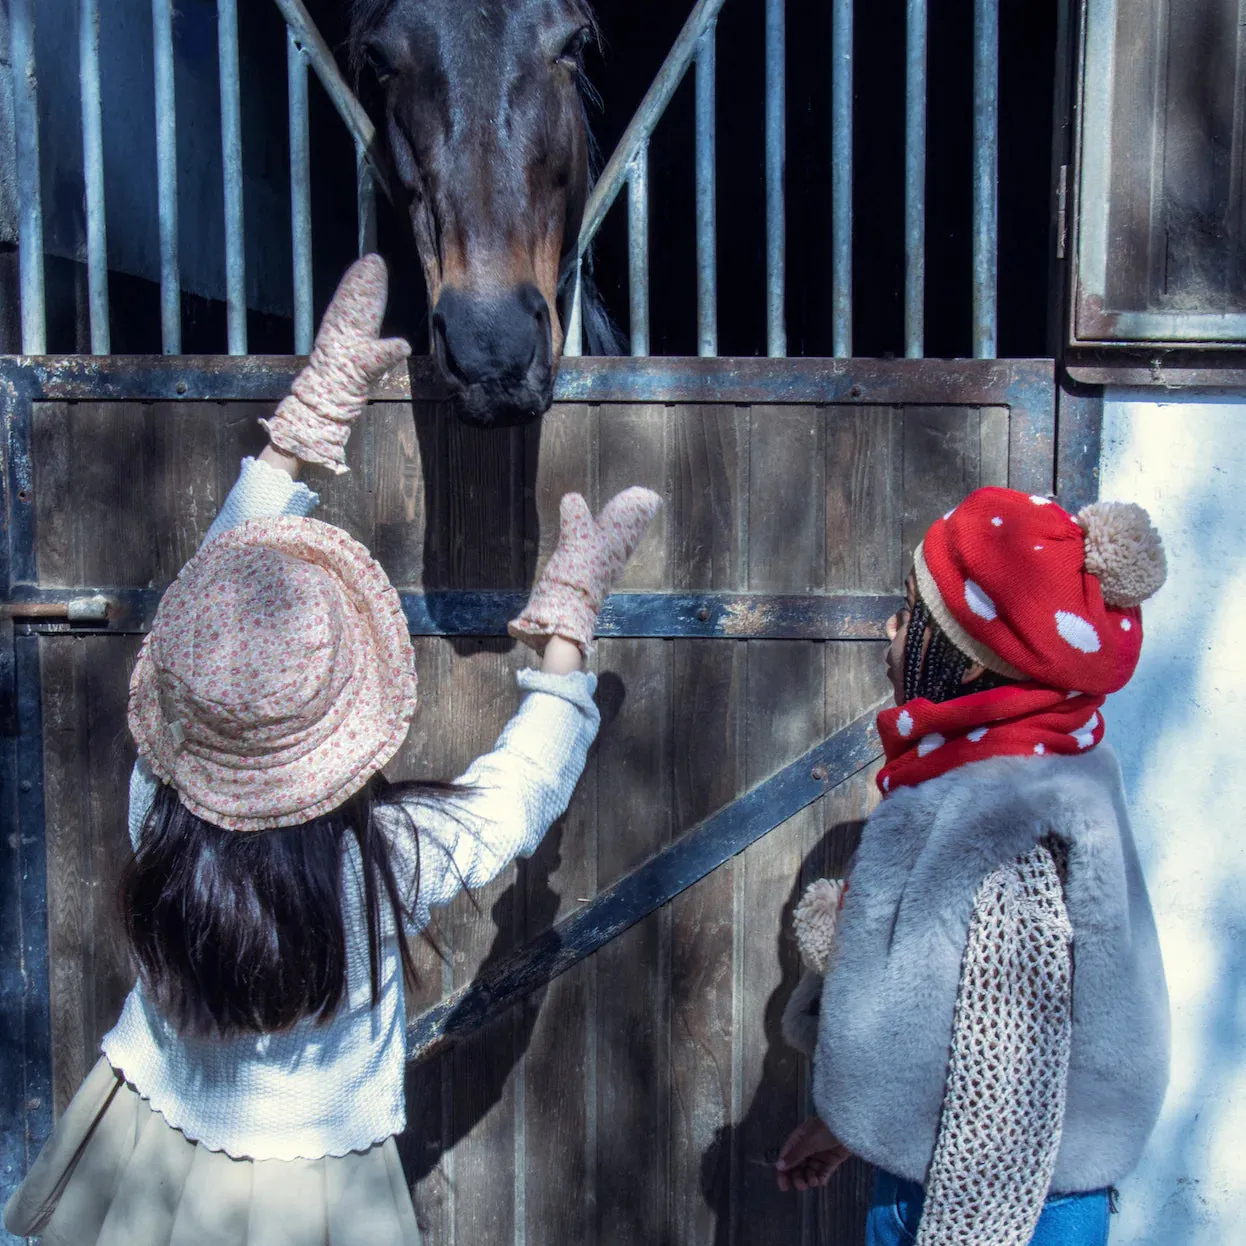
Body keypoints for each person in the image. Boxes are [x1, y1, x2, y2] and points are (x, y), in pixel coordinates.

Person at [3, 256, 660, 1246]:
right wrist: (565, 641)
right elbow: (513, 798)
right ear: (340, 719)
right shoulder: (382, 857)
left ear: (195, 715)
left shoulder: (157, 803)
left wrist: (298, 436)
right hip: (317, 1193)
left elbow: (210, 610)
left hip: (141, 1139)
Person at [775, 488, 1171, 1246]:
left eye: (910, 614)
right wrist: (853, 1121)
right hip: (1023, 1187)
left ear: (957, 660)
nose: (890, 630)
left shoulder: (997, 808)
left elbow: (1004, 1066)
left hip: (986, 1204)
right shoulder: (1053, 766)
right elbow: (956, 1017)